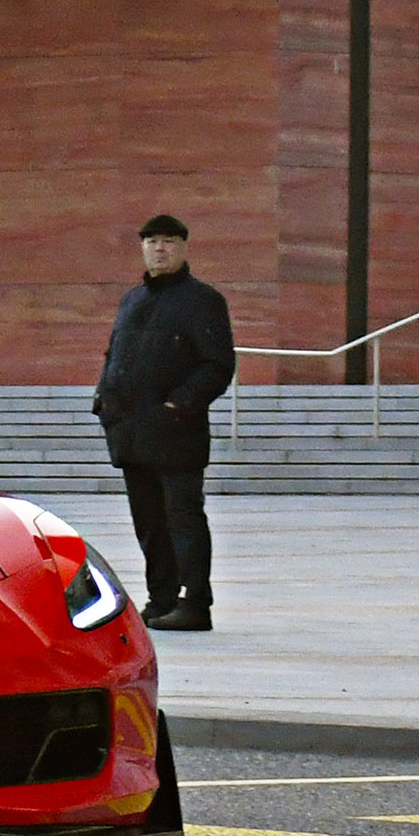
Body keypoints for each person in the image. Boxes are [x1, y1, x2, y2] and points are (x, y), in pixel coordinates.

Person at [93, 214, 235, 632]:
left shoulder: (202, 300)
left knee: (182, 517)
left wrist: (180, 406)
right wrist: (103, 399)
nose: (160, 249)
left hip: (176, 434)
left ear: (184, 247)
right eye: (152, 241)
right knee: (149, 521)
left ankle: (196, 602)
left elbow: (217, 364)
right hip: (130, 431)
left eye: (169, 242)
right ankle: (162, 598)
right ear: (142, 248)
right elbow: (113, 354)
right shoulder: (132, 299)